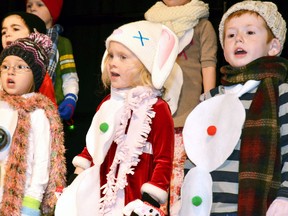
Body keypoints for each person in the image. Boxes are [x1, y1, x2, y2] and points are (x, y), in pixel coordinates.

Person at [55, 20, 179, 216]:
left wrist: (150, 200)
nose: (113, 62)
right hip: (100, 193)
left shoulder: (157, 108)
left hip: (134, 197)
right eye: (111, 55)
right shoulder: (107, 103)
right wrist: (77, 175)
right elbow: (94, 143)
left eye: (123, 57)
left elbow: (163, 159)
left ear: (144, 66)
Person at [181, 1, 288, 215]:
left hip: (258, 206)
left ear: (273, 46)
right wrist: (185, 199)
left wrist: (285, 196)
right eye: (230, 35)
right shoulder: (210, 98)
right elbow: (195, 153)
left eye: (250, 32)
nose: (239, 38)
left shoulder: (279, 93)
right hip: (208, 208)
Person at [144, 0, 218, 214]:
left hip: (188, 116)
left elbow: (208, 64)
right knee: (152, 172)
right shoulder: (151, 24)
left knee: (179, 174)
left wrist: (209, 104)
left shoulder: (202, 25)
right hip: (155, 113)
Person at [0, 33, 66, 215]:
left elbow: (42, 161)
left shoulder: (36, 112)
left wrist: (32, 201)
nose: (10, 71)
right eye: (5, 66)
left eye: (20, 67)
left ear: (35, 76)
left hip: (20, 201)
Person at [26, 0, 79, 121]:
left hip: (51, 110)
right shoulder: (22, 41)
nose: (32, 9)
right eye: (29, 6)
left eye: (39, 5)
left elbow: (69, 76)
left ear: (52, 13)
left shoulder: (62, 43)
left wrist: (70, 98)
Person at [1, 11, 57, 106]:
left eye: (15, 29)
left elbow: (50, 110)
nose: (7, 34)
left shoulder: (41, 76)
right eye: (3, 32)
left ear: (34, 34)